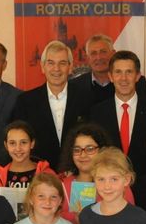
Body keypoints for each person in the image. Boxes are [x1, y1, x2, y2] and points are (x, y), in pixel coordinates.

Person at [12, 40, 94, 170]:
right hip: (39, 175)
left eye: (62, 63)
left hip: (78, 175)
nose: (56, 69)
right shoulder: (25, 101)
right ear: (42, 67)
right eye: (51, 63)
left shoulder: (87, 98)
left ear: (70, 67)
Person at [88, 50, 146, 177]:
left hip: (145, 189)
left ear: (138, 76)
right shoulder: (96, 113)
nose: (123, 78)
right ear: (111, 76)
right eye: (118, 72)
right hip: (108, 189)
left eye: (129, 72)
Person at [71, 33, 146, 106]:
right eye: (93, 53)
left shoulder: (137, 81)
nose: (99, 57)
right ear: (87, 58)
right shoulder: (75, 85)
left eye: (103, 52)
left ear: (113, 53)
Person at [0, 120, 54, 193]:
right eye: (12, 143)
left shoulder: (47, 174)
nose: (18, 148)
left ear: (32, 144)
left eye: (23, 142)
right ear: (6, 145)